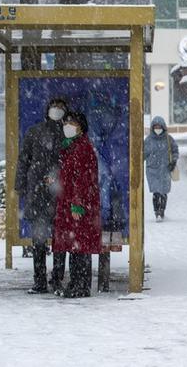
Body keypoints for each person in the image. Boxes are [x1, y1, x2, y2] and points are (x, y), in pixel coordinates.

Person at [14, 97, 68, 294]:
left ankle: (56, 279)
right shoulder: (35, 132)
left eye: (61, 108)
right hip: (38, 193)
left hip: (60, 194)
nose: (57, 110)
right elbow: (23, 160)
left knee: (60, 239)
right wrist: (20, 184)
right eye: (54, 107)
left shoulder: (67, 133)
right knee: (39, 240)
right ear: (47, 110)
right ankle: (40, 280)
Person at [52, 111, 102, 298]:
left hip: (78, 204)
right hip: (69, 202)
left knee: (79, 246)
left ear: (81, 126)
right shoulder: (72, 146)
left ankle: (81, 286)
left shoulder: (83, 148)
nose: (68, 126)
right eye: (66, 122)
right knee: (75, 246)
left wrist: (78, 204)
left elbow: (83, 179)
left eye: (72, 122)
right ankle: (76, 284)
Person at [144, 116, 178, 222]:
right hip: (152, 170)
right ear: (152, 127)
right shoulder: (148, 140)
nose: (158, 128)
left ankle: (162, 211)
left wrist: (174, 161)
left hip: (165, 169)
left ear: (163, 127)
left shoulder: (169, 139)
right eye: (156, 126)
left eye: (159, 126)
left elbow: (175, 150)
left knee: (164, 191)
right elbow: (143, 154)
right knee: (156, 192)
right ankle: (156, 212)